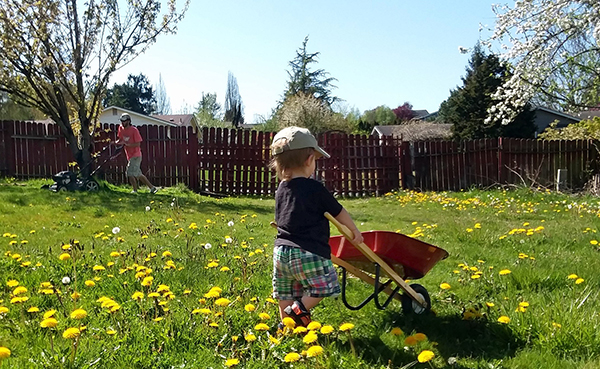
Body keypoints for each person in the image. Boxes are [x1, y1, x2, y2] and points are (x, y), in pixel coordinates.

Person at [269, 126, 364, 327]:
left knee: (285, 292)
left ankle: (285, 328)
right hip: (308, 252)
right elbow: (338, 212)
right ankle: (297, 312)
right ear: (309, 160)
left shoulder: (281, 189)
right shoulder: (316, 189)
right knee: (323, 286)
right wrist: (354, 230)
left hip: (281, 251)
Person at [113, 113, 158, 194]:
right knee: (137, 174)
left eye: (124, 121)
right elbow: (120, 139)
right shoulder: (120, 128)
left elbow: (138, 143)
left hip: (136, 155)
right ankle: (152, 187)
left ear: (128, 121)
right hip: (129, 155)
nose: (122, 123)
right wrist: (115, 143)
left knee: (129, 172)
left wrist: (127, 144)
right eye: (121, 121)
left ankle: (135, 190)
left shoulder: (134, 130)